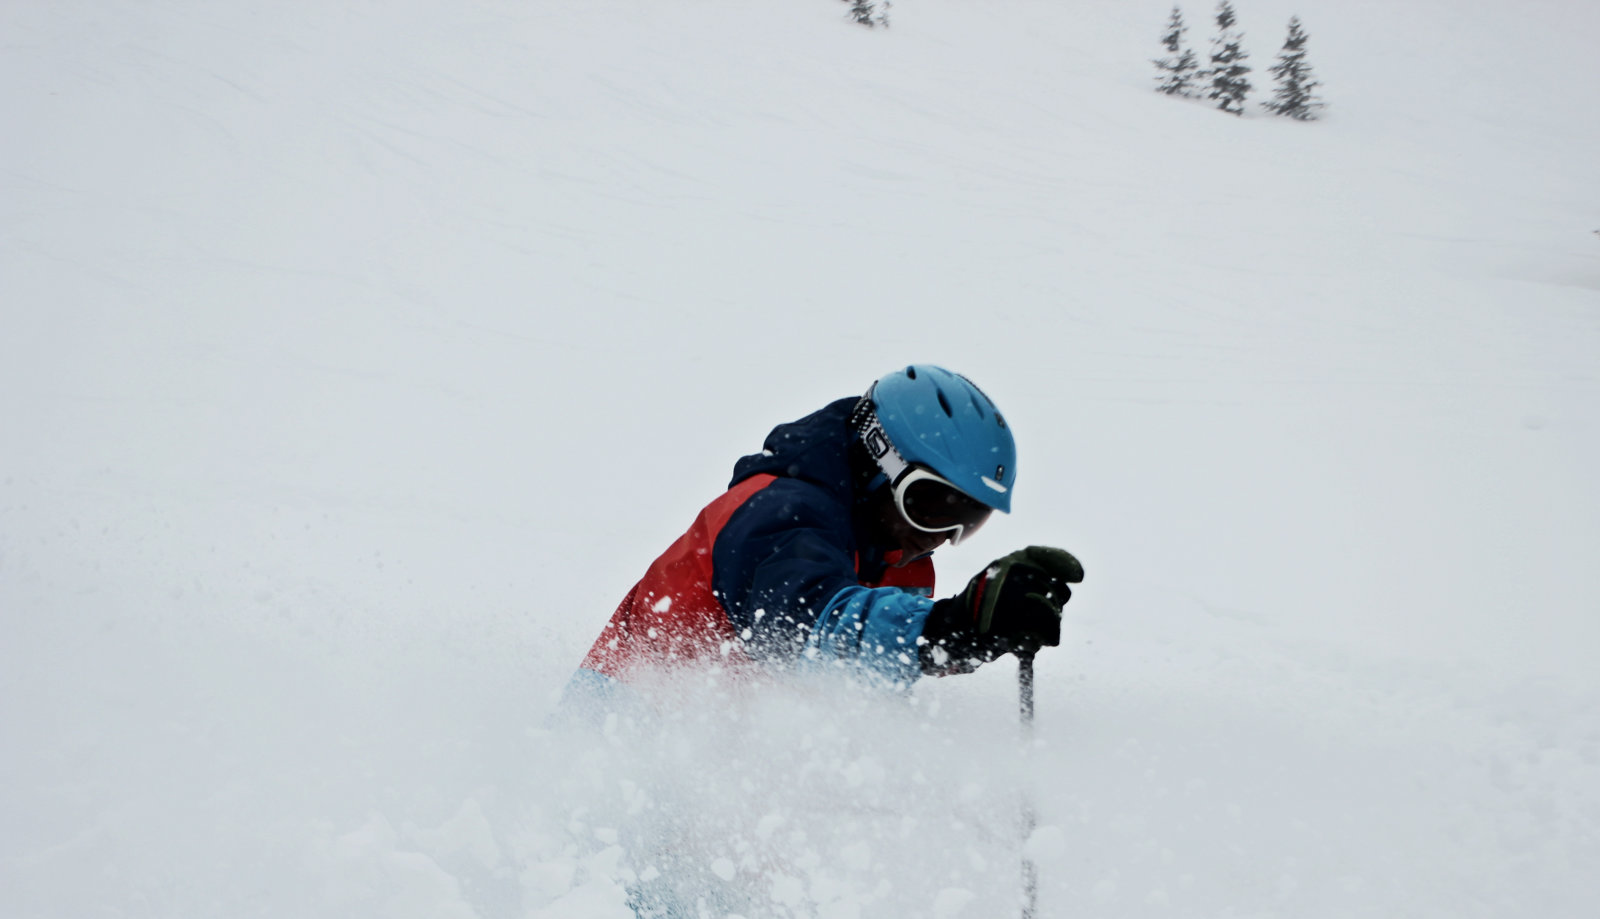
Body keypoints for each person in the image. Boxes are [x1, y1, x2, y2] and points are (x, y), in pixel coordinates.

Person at [562, 364, 1084, 716]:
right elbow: (808, 629)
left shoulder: (895, 554)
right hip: (626, 741)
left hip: (729, 767)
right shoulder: (775, 514)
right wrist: (950, 626)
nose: (944, 538)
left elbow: (858, 674)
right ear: (879, 462)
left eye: (969, 520)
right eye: (932, 505)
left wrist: (973, 637)